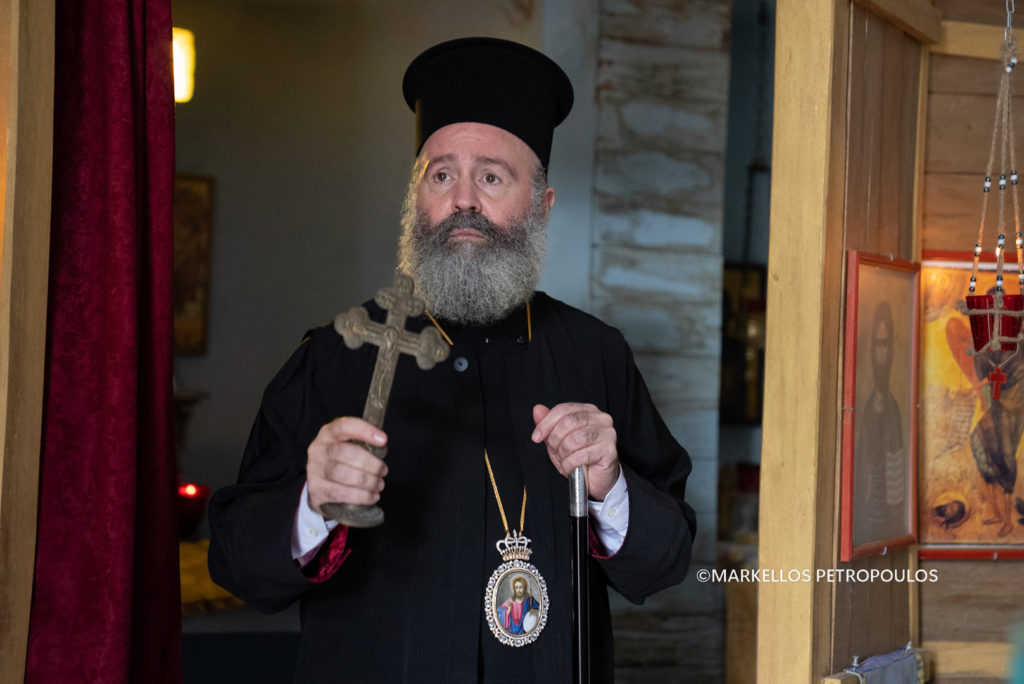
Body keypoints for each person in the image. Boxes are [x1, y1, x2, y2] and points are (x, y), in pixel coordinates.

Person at [208, 37, 696, 684]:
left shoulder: (595, 356)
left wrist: (611, 490)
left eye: (492, 176)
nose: (464, 200)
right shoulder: (336, 354)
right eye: (442, 175)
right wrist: (311, 503)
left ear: (541, 206)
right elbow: (237, 563)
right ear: (418, 200)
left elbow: (666, 560)